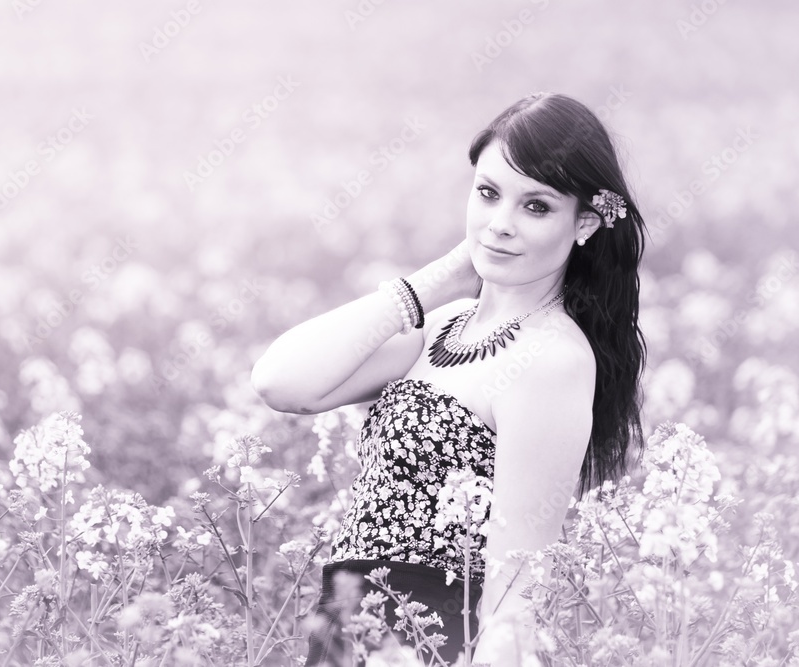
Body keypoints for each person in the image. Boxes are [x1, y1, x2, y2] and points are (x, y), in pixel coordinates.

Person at [251, 92, 647, 666]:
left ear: (584, 221)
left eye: (536, 207)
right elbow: (282, 382)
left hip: (432, 643)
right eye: (488, 194)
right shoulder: (440, 327)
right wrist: (437, 280)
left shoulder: (552, 360)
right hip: (343, 631)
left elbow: (516, 591)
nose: (501, 224)